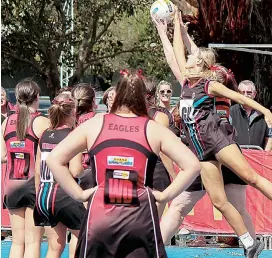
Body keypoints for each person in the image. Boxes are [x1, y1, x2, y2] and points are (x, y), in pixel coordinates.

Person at [152, 9, 272, 257]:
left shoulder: (211, 83)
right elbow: (176, 54)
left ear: (204, 66)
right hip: (201, 152)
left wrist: (266, 111)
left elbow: (239, 96)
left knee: (251, 178)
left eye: (194, 58)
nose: (189, 59)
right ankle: (250, 243)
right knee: (219, 201)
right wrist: (174, 24)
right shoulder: (186, 83)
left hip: (219, 142)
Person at [46, 71, 201, 258]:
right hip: (140, 217)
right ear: (145, 97)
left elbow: (54, 159)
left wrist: (79, 194)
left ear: (117, 95)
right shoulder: (152, 128)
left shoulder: (96, 124)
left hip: (101, 216)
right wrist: (164, 195)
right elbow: (192, 165)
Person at [1, 79, 49, 258]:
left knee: (17, 242)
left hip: (12, 185)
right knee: (33, 242)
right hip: (33, 186)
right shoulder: (41, 122)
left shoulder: (6, 123)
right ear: (36, 97)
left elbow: (2, 156)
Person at [34, 93, 86, 258]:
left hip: (43, 194)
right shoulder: (72, 135)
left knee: (55, 247)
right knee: (82, 239)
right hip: (63, 194)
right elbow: (75, 170)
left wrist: (38, 197)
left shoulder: (44, 134)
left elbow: (37, 170)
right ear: (73, 112)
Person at [229, 80, 272, 151]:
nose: (245, 95)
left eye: (249, 93)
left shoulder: (264, 113)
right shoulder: (231, 112)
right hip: (237, 157)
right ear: (237, 94)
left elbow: (269, 138)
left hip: (257, 158)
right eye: (242, 92)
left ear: (254, 94)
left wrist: (264, 156)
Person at [71, 83, 97, 191]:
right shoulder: (97, 120)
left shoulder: (68, 120)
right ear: (94, 101)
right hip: (91, 171)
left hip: (70, 172)